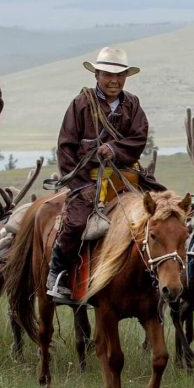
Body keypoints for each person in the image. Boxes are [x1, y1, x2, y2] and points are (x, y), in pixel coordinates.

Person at [46, 47, 160, 303]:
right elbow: (66, 147)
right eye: (108, 74)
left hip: (126, 177)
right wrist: (78, 186)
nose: (114, 80)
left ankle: (159, 277)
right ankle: (59, 273)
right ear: (96, 74)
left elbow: (138, 138)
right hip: (88, 182)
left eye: (119, 75)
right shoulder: (81, 104)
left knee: (164, 214)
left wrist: (114, 149)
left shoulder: (133, 104)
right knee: (75, 224)